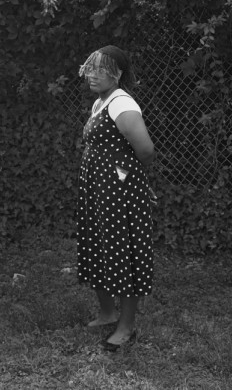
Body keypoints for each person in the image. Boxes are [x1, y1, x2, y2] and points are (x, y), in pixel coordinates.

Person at [76, 45, 155, 352]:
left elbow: (145, 150)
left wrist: (130, 180)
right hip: (100, 190)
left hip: (118, 192)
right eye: (90, 68)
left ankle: (126, 327)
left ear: (118, 73)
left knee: (122, 251)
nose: (92, 74)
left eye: (101, 69)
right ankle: (108, 313)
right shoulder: (101, 101)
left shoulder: (122, 103)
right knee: (99, 245)